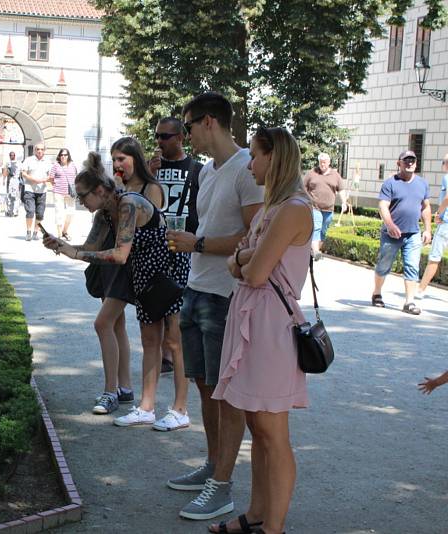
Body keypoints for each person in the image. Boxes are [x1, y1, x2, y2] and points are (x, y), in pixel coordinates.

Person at [207, 126, 313, 534]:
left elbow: (252, 273)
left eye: (254, 155)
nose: (249, 163)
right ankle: (256, 516)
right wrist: (244, 258)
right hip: (253, 320)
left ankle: (274, 528)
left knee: (272, 430)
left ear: (275, 157)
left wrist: (244, 258)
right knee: (257, 425)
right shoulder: (274, 207)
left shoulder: (293, 209)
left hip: (269, 327)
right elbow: (238, 262)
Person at [165, 92, 264, 521]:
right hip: (197, 285)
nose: (186, 135)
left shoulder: (248, 168)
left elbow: (254, 237)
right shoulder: (206, 172)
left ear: (208, 123)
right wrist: (193, 243)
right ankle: (212, 466)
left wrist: (198, 243)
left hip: (226, 294)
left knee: (226, 393)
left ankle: (222, 486)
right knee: (205, 385)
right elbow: (205, 227)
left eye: (187, 127)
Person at [42, 152, 183, 421]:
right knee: (126, 330)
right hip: (132, 271)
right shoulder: (104, 213)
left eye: (83, 196)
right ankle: (130, 393)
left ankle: (121, 394)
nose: (80, 202)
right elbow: (91, 248)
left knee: (158, 338)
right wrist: (61, 245)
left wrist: (75, 253)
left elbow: (119, 254)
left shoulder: (127, 204)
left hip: (155, 273)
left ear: (99, 190)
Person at [110, 135, 191, 432]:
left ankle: (180, 408)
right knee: (149, 341)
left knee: (174, 341)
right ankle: (146, 406)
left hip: (167, 269)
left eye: (123, 159)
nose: (118, 164)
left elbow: (148, 230)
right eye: (114, 159)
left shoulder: (150, 189)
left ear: (136, 159)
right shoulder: (122, 191)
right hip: (142, 271)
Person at [149, 117, 203, 382]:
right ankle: (163, 355)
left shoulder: (197, 169)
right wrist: (148, 173)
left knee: (180, 301)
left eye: (165, 136)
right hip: (156, 244)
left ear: (180, 137)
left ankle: (176, 355)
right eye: (157, 136)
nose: (159, 141)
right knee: (156, 298)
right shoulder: (152, 168)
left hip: (184, 244)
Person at [371, 150, 431, 315]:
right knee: (384, 265)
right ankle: (377, 293)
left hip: (413, 233)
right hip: (391, 234)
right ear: (399, 163)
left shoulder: (422, 184)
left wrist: (427, 229)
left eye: (412, 160)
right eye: (406, 161)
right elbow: (383, 206)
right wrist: (389, 225)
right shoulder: (390, 183)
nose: (410, 163)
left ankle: (409, 302)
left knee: (412, 266)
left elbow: (425, 208)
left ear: (416, 163)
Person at [417, 153, 448, 298]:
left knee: (434, 257)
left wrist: (438, 214)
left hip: (446, 224)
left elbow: (447, 197)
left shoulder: (447, 177)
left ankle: (420, 290)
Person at [303, 153, 343, 260]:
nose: (322, 164)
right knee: (316, 227)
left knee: (323, 231)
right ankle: (316, 252)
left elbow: (341, 189)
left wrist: (344, 202)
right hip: (314, 206)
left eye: (324, 162)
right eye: (321, 162)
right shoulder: (312, 173)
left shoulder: (335, 175)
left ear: (329, 163)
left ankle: (315, 251)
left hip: (329, 209)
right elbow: (303, 187)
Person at [21, 143, 53, 241]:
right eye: (38, 149)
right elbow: (23, 173)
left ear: (44, 151)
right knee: (30, 211)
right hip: (29, 189)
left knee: (40, 214)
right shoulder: (28, 160)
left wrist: (44, 180)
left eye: (42, 149)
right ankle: (28, 232)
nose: (39, 151)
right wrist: (33, 179)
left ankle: (35, 232)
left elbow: (51, 175)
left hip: (42, 191)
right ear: (35, 150)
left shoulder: (48, 162)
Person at [49, 148, 78, 239]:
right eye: (61, 155)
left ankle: (64, 231)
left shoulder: (73, 165)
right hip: (58, 193)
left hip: (70, 194)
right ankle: (59, 235)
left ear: (68, 156)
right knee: (59, 213)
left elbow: (76, 177)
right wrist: (56, 187)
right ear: (59, 156)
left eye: (65, 155)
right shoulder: (55, 166)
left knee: (71, 213)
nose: (63, 157)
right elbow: (51, 178)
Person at [5, 151, 22, 217]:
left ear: (14, 156)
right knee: (11, 197)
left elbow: (21, 173)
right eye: (11, 155)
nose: (12, 156)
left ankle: (14, 211)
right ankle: (11, 211)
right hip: (12, 181)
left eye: (13, 155)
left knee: (14, 197)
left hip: (15, 181)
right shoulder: (9, 163)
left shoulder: (9, 163)